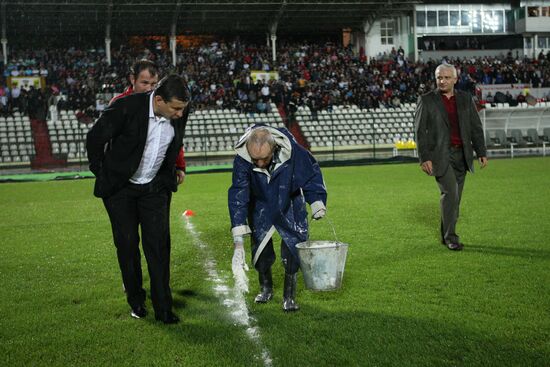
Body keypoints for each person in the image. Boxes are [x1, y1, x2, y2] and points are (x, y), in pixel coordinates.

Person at [86, 74, 191, 324]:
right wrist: (101, 172)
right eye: (175, 108)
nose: (179, 114)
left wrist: (175, 167)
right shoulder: (126, 107)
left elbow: (175, 143)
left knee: (159, 247)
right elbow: (95, 137)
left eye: (182, 109)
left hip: (154, 189)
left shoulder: (180, 110)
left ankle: (164, 308)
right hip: (121, 190)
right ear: (159, 100)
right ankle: (136, 301)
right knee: (128, 246)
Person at [228, 125, 327, 311]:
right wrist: (238, 236)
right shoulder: (242, 159)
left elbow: (311, 174)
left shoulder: (294, 151)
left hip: (290, 200)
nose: (258, 163)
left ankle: (289, 296)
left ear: (274, 148)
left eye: (263, 159)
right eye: (254, 159)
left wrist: (316, 201)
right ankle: (266, 288)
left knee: (292, 249)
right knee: (261, 251)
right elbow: (238, 193)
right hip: (260, 205)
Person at [414, 64, 488, 251]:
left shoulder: (465, 99)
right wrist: (424, 158)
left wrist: (481, 152)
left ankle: (445, 234)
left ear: (455, 79)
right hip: (440, 155)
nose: (442, 81)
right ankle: (451, 238)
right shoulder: (427, 100)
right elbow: (420, 131)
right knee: (450, 194)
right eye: (439, 77)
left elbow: (475, 127)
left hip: (462, 155)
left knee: (455, 199)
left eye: (447, 77)